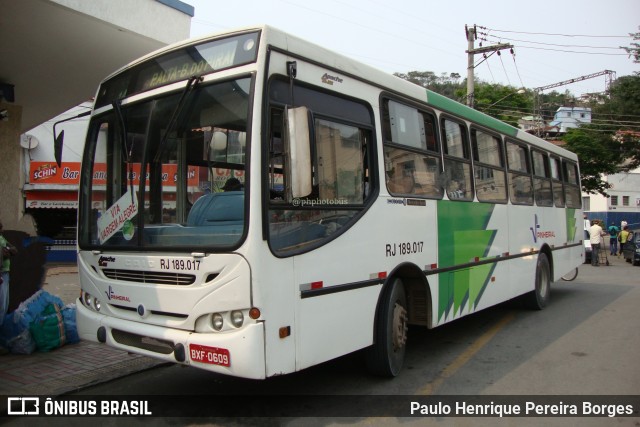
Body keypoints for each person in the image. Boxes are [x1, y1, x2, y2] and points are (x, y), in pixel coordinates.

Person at [0, 220, 18, 327]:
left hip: (5, 273)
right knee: (2, 305)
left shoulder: (2, 238)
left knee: (5, 304)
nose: (2, 230)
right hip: (1, 273)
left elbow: (14, 250)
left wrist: (7, 250)